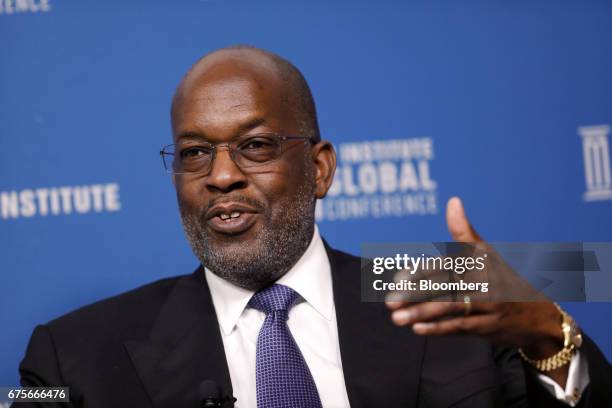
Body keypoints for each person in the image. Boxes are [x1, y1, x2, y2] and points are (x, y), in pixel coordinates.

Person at [15, 46, 612, 408]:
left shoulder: (442, 299)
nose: (221, 176)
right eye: (195, 152)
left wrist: (548, 336)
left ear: (320, 168)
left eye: (255, 146)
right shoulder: (71, 355)